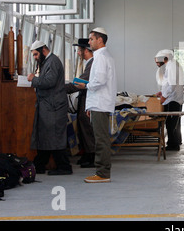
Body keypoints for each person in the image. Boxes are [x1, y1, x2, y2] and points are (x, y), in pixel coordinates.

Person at [75, 27, 117, 183]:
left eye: (91, 39)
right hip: (99, 103)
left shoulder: (100, 57)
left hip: (100, 103)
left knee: (101, 140)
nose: (89, 41)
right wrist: (89, 106)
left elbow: (99, 81)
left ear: (100, 40)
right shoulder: (105, 56)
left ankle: (103, 173)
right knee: (101, 139)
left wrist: (84, 86)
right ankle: (102, 171)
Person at [27, 40, 72, 175]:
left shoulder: (52, 62)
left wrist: (33, 79)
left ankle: (64, 167)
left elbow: (49, 81)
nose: (35, 58)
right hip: (50, 106)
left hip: (54, 107)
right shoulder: (48, 61)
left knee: (55, 137)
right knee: (47, 136)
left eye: (36, 55)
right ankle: (39, 165)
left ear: (43, 51)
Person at [65, 38, 95, 168]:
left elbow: (81, 82)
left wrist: (60, 88)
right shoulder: (89, 63)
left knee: (87, 128)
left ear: (86, 50)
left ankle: (91, 156)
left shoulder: (92, 63)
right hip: (85, 99)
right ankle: (87, 154)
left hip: (89, 100)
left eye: (79, 50)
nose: (78, 53)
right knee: (83, 128)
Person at [155, 49, 184, 151]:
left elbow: (172, 85)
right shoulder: (170, 66)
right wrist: (162, 93)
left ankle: (173, 145)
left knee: (171, 124)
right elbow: (169, 84)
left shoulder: (172, 66)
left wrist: (164, 96)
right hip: (173, 98)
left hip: (173, 99)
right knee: (173, 123)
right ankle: (175, 142)